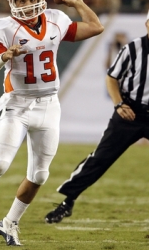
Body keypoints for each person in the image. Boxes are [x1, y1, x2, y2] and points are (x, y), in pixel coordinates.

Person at [0, 0, 104, 246]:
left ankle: (9, 222)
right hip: (17, 105)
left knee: (40, 174)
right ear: (11, 2)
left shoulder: (56, 19)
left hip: (49, 106)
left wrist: (77, 2)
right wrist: (3, 57)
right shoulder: (2, 28)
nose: (27, 4)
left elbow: (95, 27)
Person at [45, 12, 149, 224]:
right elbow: (111, 78)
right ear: (147, 24)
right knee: (101, 158)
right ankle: (67, 201)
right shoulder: (133, 49)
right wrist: (119, 104)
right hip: (131, 111)